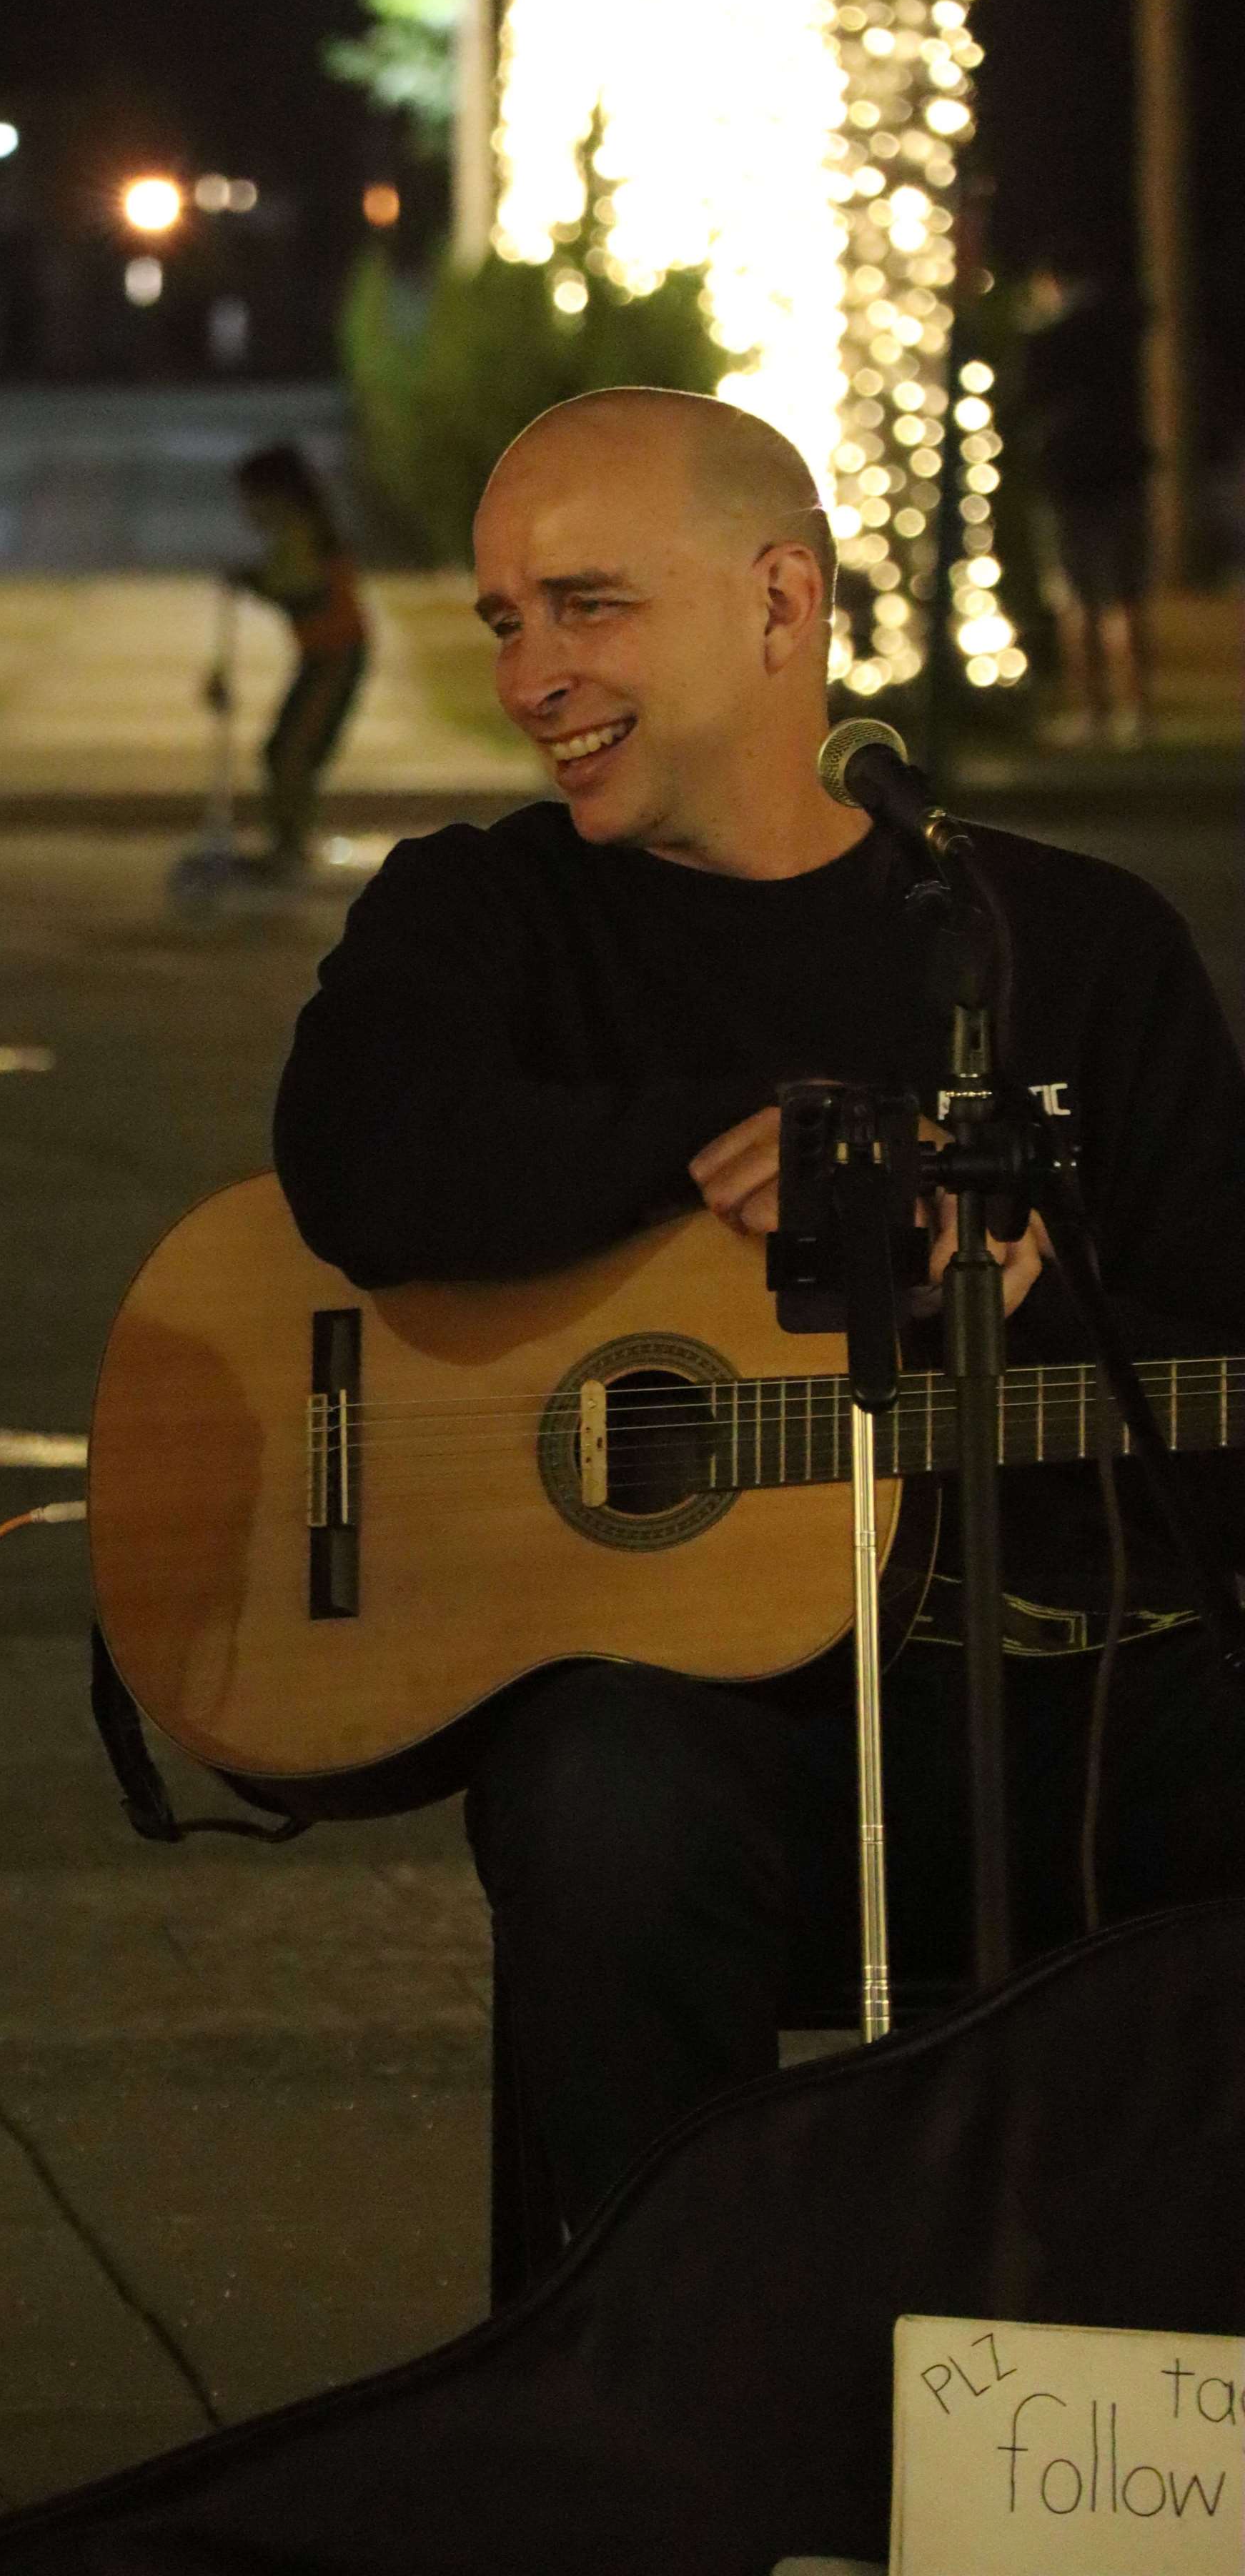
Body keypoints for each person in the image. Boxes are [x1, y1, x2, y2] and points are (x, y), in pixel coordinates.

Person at [273, 386, 1245, 2261]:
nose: (532, 675)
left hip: (1071, 1697)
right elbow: (359, 1163)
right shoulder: (484, 916)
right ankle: (641, 2431)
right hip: (704, 1736)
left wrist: (1032, 1299)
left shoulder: (1060, 944)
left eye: (587, 607)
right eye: (502, 623)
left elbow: (1218, 1323)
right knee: (603, 1804)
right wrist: (754, 1152)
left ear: (780, 602)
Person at [1019, 261, 1152, 746]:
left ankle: (1092, 710)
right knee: (1125, 597)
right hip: (1119, 474)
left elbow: (1027, 401)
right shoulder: (1119, 334)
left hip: (1066, 478)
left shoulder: (1046, 339)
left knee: (1076, 599)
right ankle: (1136, 710)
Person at [224, 443, 369, 880]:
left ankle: (290, 850)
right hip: (321, 654)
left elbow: (303, 591)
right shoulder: (298, 530)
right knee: (283, 751)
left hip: (335, 655)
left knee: (293, 753)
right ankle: (286, 844)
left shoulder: (300, 531)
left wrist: (257, 584)